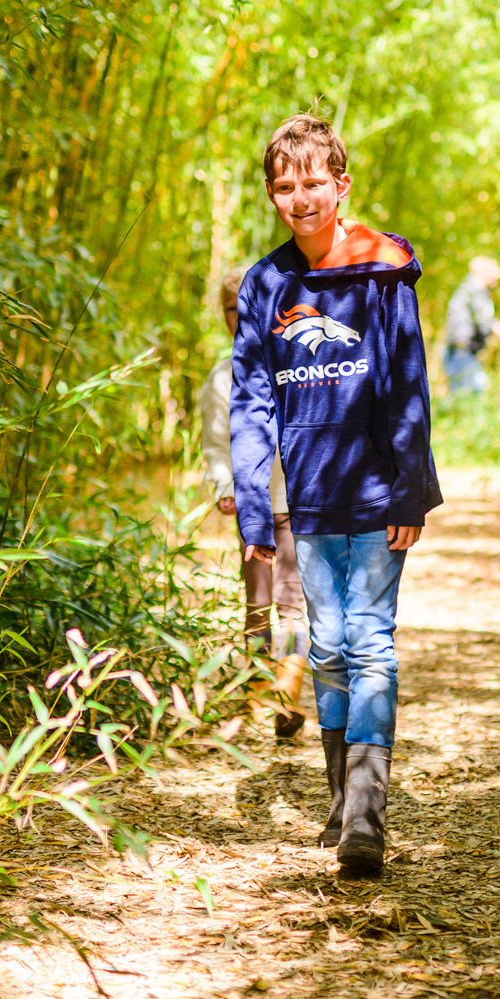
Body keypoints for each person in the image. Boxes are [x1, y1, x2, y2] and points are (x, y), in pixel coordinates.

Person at [231, 113, 441, 872]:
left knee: (370, 645)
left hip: (377, 490)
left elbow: (407, 382)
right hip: (311, 496)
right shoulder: (265, 283)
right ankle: (336, 800)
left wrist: (411, 490)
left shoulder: (381, 268)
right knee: (325, 650)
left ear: (340, 185)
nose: (299, 198)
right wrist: (254, 503)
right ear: (271, 194)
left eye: (313, 183)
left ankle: (365, 818)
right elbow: (251, 400)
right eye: (284, 187)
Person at [200, 265, 309, 738]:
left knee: (292, 602)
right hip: (252, 508)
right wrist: (226, 489)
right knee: (258, 603)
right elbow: (215, 446)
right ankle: (254, 690)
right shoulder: (222, 377)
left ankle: (287, 695)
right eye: (232, 309)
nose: (241, 317)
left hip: (298, 502)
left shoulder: (298, 364)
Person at [442, 255, 500, 394]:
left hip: (458, 353)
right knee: (470, 397)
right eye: (494, 278)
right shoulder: (475, 292)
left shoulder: (465, 290)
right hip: (462, 355)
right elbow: (486, 321)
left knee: (465, 396)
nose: (495, 282)